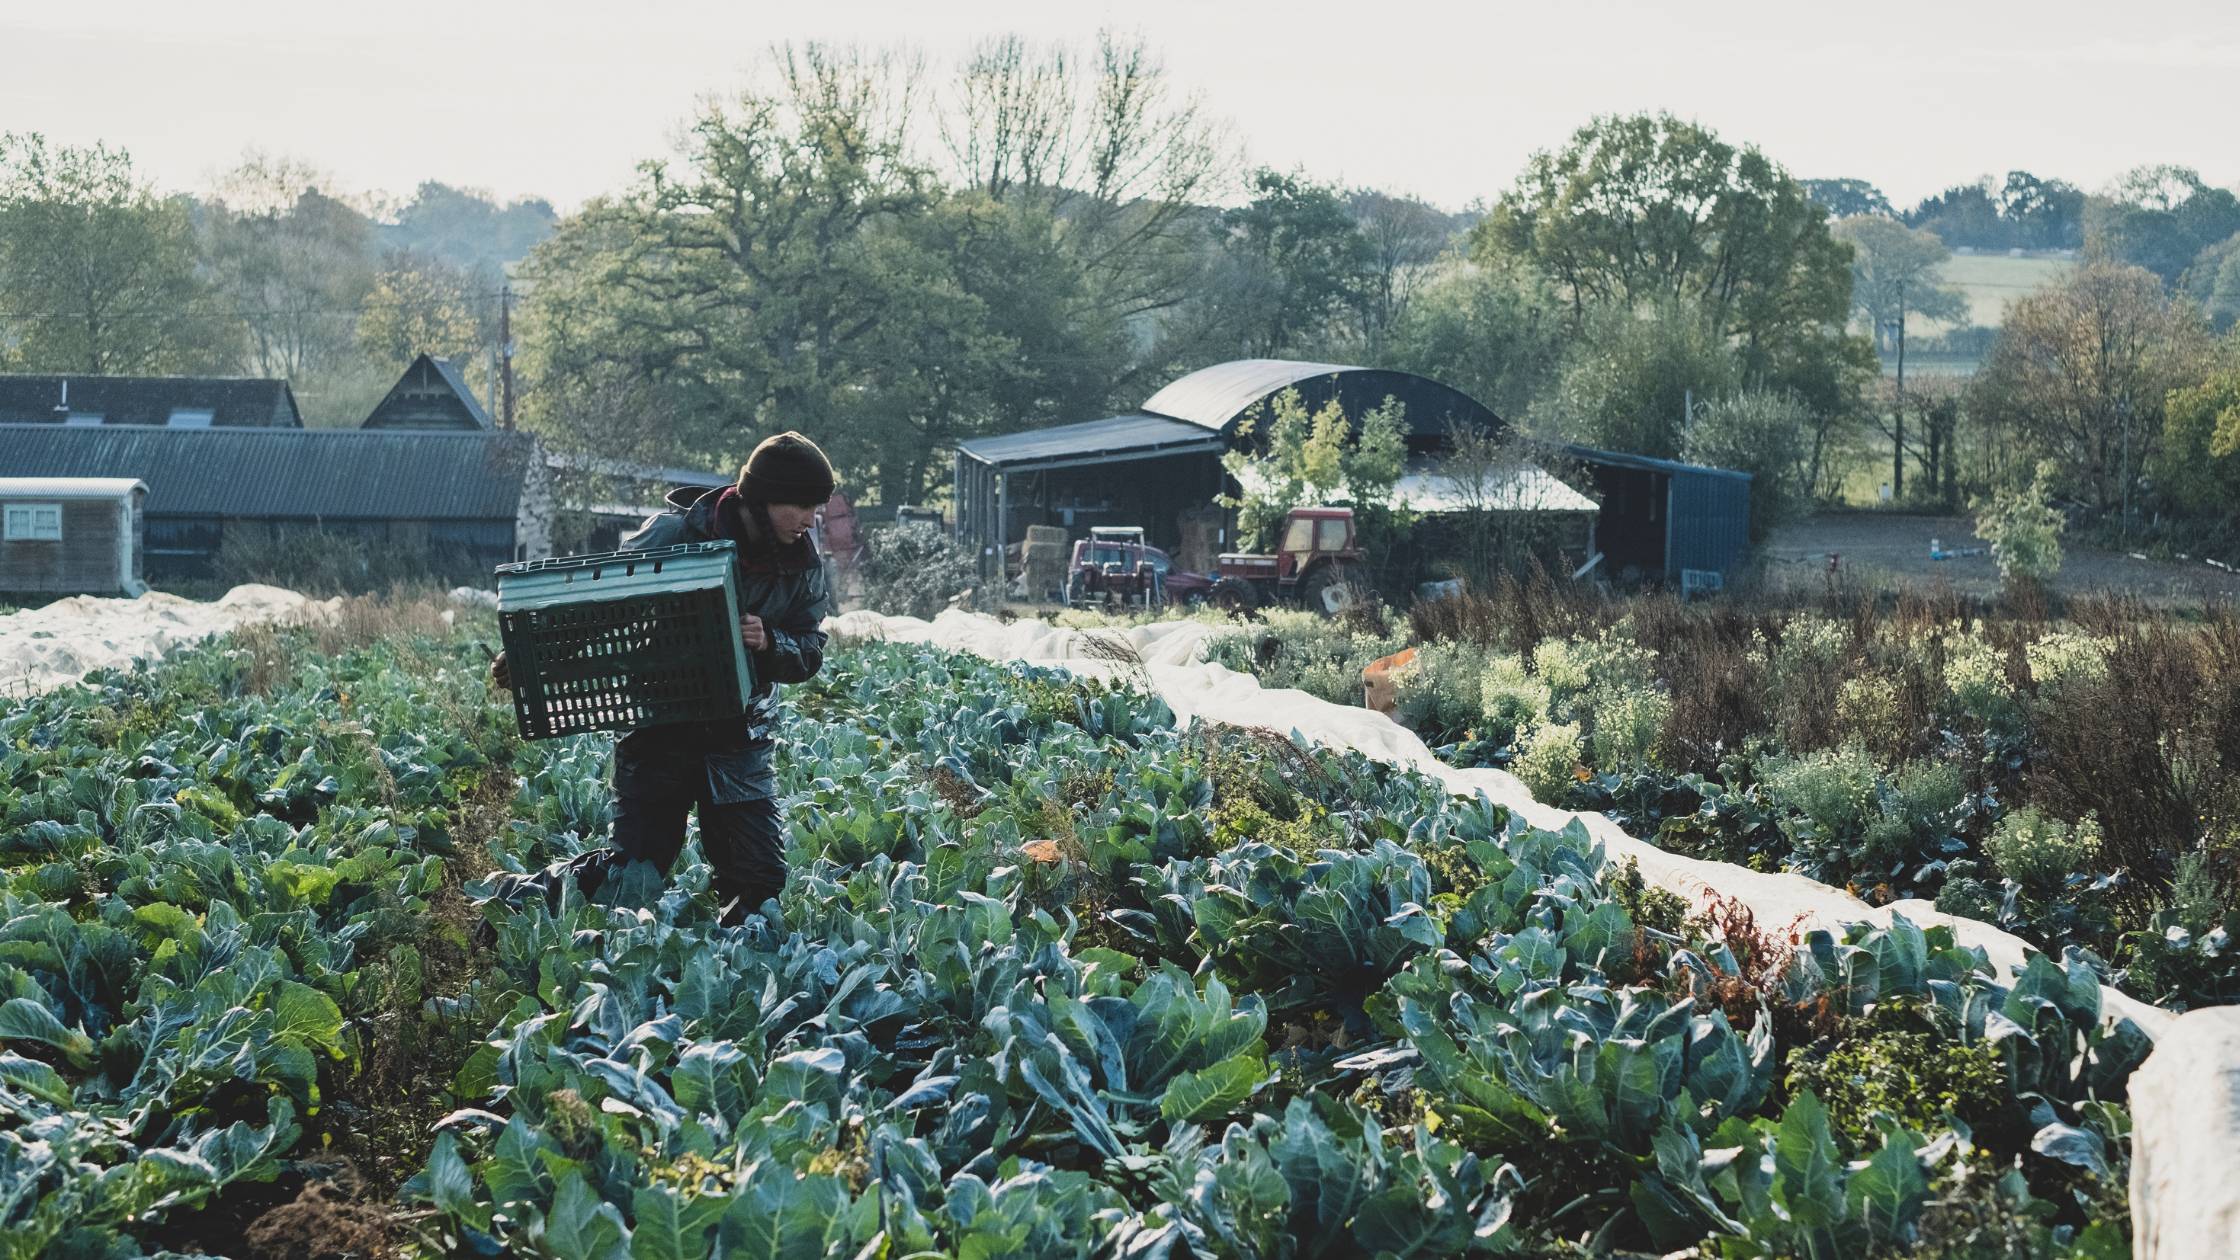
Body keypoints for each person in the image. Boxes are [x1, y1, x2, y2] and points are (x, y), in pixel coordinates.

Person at [486, 430, 834, 929]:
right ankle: (518, 898)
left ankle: (730, 974)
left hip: (738, 735)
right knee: (633, 873)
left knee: (759, 882)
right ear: (761, 500)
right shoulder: (675, 537)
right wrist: (528, 656)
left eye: (815, 508)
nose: (809, 520)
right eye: (799, 506)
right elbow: (596, 605)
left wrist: (772, 641)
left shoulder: (803, 564)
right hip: (660, 724)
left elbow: (810, 646)